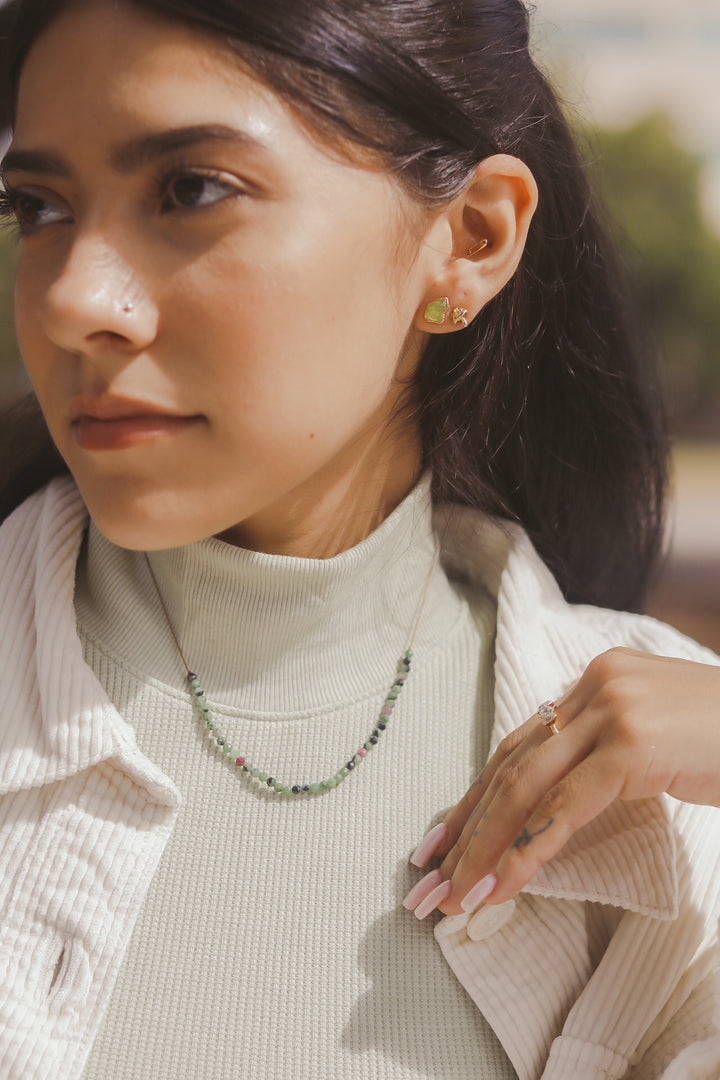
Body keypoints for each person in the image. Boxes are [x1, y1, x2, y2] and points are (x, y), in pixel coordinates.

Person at [0, 0, 718, 1078]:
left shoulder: (673, 803)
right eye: (37, 206)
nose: (70, 301)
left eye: (191, 189)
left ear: (470, 240)